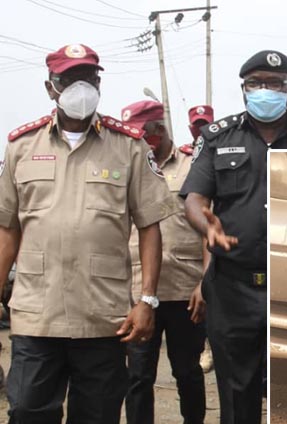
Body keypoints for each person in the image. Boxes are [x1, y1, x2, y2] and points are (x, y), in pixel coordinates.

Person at [0, 44, 176, 423]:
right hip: (36, 314)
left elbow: (149, 226)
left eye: (89, 78)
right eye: (70, 79)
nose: (81, 87)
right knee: (29, 410)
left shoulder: (128, 147)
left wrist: (147, 300)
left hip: (103, 316)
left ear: (99, 83)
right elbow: (8, 230)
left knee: (96, 415)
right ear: (51, 87)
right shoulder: (21, 147)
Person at [181, 49, 287, 423]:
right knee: (236, 395)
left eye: (274, 84)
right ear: (244, 89)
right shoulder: (218, 137)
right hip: (233, 287)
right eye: (256, 83)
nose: (266, 90)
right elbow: (194, 199)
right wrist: (206, 224)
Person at [121, 101, 207, 424]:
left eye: (144, 134)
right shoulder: (128, 165)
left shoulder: (192, 166)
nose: (139, 141)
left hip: (186, 292)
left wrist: (205, 283)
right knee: (139, 375)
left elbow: (208, 228)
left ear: (159, 129)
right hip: (140, 293)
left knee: (187, 371)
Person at [187, 104, 216, 374]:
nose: (199, 131)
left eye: (203, 125)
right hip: (185, 262)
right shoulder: (188, 159)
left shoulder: (217, 156)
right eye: (195, 127)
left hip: (212, 255)